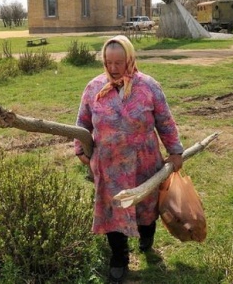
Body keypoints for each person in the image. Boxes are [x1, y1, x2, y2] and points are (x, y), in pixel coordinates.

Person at [74, 35, 183, 283]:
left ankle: (147, 238)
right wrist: (80, 150)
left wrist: (175, 151)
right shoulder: (93, 88)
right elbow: (82, 123)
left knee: (146, 209)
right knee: (113, 212)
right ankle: (119, 258)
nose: (113, 68)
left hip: (144, 162)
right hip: (109, 165)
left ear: (130, 59)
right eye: (108, 62)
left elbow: (165, 122)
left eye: (119, 63)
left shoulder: (149, 87)